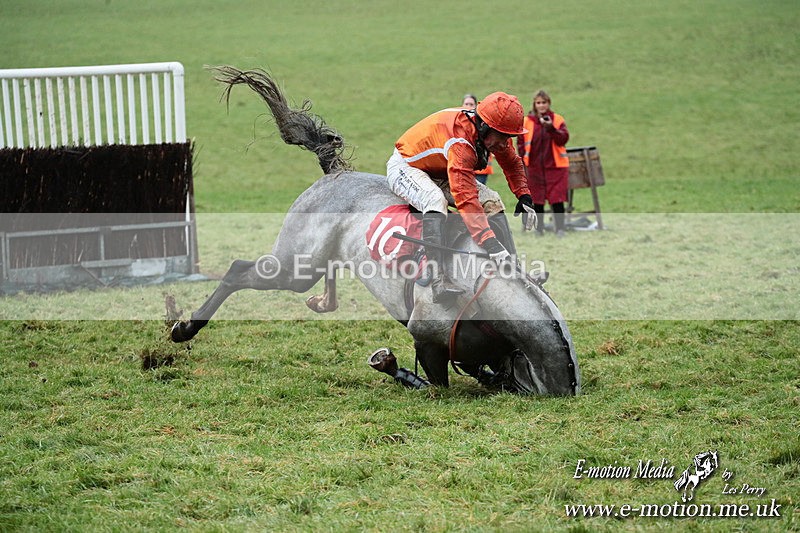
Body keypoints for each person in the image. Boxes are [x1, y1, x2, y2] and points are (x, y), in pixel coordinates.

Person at [387, 92, 535, 303]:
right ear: (484, 126)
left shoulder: (492, 132)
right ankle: (437, 278)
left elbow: (511, 162)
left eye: (508, 137)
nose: (504, 142)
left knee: (493, 201)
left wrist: (524, 196)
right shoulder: (461, 143)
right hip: (406, 167)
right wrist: (489, 242)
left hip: (441, 169)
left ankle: (513, 270)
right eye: (501, 136)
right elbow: (466, 200)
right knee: (434, 200)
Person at [517, 90, 570, 237]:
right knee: (537, 200)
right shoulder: (527, 121)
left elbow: (563, 139)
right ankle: (539, 229)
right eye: (538, 102)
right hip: (534, 167)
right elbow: (521, 142)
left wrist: (551, 128)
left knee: (557, 199)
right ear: (534, 104)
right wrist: (522, 161)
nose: (541, 105)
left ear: (549, 103)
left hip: (555, 167)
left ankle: (560, 229)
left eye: (544, 102)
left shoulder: (557, 119)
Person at [461, 93, 494, 185]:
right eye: (466, 104)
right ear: (462, 106)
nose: (468, 106)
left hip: (481, 168)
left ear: (475, 106)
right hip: (464, 167)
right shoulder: (458, 123)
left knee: (478, 195)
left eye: (471, 104)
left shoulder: (482, 122)